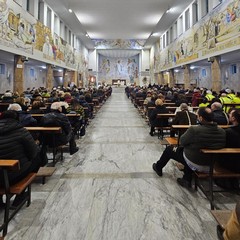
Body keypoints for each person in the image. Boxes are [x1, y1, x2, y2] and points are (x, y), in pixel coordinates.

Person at [152, 107, 226, 188]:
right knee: (191, 152)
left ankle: (158, 167)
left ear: (200, 118)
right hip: (211, 164)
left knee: (170, 149)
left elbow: (182, 141)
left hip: (195, 162)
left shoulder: (194, 129)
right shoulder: (222, 131)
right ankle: (186, 179)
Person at [0, 110, 41, 208]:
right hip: (11, 176)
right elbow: (33, 152)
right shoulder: (21, 131)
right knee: (37, 159)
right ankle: (21, 195)